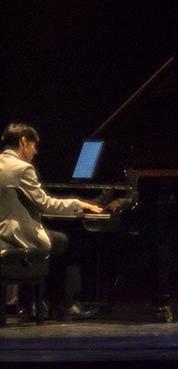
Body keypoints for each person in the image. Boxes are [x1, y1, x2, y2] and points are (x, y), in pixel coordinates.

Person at [0, 123, 102, 319]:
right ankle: (67, 305)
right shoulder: (22, 168)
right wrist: (79, 203)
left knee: (56, 240)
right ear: (23, 141)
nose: (35, 152)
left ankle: (36, 302)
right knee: (67, 242)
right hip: (15, 235)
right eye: (34, 146)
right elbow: (45, 204)